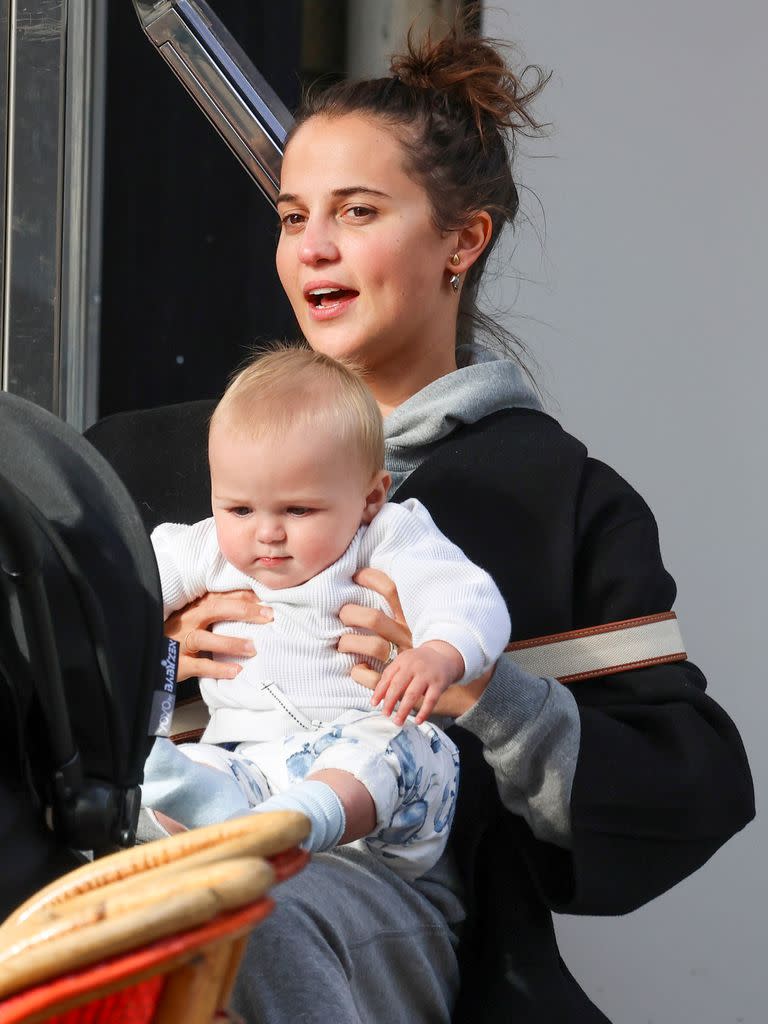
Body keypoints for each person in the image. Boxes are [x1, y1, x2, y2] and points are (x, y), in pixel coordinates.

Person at [158, 18, 754, 1024]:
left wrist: (490, 691)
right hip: (173, 871)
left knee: (235, 920)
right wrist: (162, 655)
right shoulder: (188, 462)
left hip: (392, 932)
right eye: (292, 215)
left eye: (356, 210)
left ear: (462, 240)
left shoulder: (549, 497)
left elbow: (686, 787)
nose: (314, 248)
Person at [142, 346, 510, 882]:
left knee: (392, 747)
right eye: (240, 508)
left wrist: (439, 653)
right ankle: (220, 822)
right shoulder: (208, 550)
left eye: (298, 510)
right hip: (251, 765)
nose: (266, 532)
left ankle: (298, 823)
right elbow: (126, 581)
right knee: (197, 770)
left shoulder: (385, 536)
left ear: (369, 497)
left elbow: (466, 596)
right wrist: (152, 639)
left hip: (376, 796)